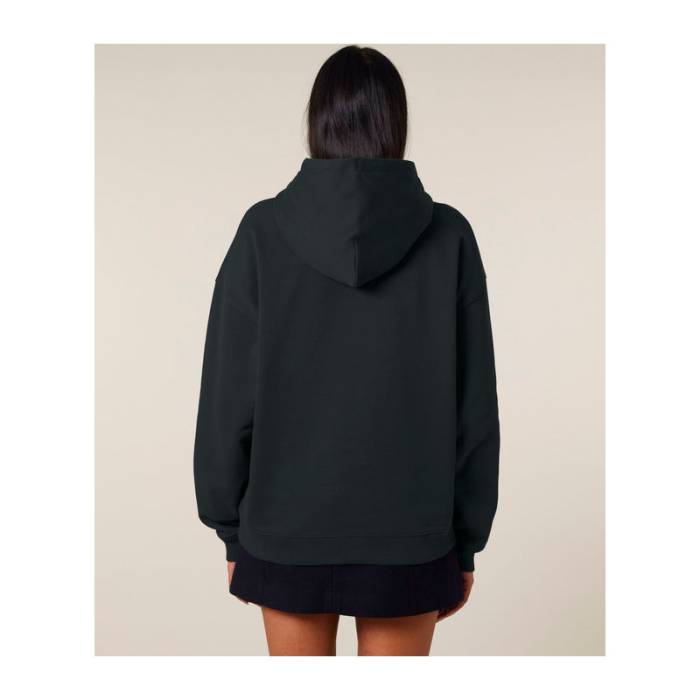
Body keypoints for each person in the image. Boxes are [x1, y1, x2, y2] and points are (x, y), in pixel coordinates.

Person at [194, 45, 500, 656]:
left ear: (318, 122)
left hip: (285, 533)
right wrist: (465, 542)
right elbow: (475, 411)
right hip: (411, 538)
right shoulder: (449, 236)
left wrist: (231, 530)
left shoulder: (262, 232)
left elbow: (227, 399)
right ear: (396, 123)